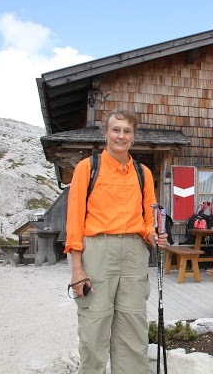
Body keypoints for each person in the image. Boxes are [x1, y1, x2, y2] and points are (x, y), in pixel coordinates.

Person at [65, 110, 169, 374]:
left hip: (134, 252)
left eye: (126, 131)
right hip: (97, 250)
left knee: (133, 325)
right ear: (106, 134)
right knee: (94, 325)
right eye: (116, 130)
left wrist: (153, 234)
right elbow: (75, 220)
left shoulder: (142, 172)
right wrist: (77, 268)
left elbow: (149, 217)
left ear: (133, 138)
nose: (120, 136)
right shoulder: (87, 168)